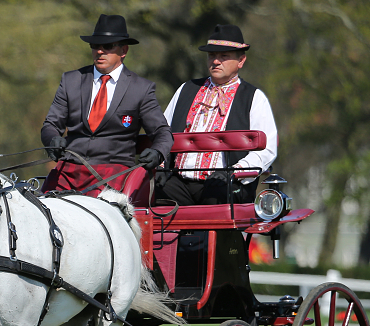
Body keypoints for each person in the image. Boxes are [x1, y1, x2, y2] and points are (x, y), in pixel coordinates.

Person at [40, 14, 173, 207]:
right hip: (68, 170)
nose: (100, 51)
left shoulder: (141, 89)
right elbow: (51, 124)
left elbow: (163, 133)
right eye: (95, 46)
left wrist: (157, 153)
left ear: (123, 50)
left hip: (113, 174)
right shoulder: (71, 80)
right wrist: (52, 140)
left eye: (108, 46)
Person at [155, 24, 278, 206]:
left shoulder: (253, 98)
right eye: (212, 55)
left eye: (224, 56)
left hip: (225, 183)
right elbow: (162, 131)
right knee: (157, 198)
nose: (215, 61)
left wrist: (234, 171)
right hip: (179, 181)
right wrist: (160, 165)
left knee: (218, 197)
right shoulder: (186, 89)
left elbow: (267, 149)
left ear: (241, 60)